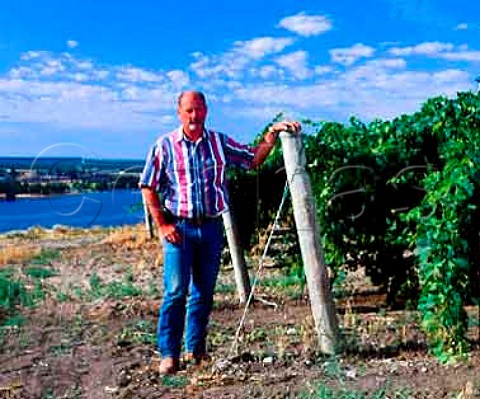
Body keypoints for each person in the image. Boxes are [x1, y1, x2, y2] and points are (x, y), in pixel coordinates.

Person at [139, 90, 301, 375]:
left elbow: (252, 159)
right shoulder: (164, 146)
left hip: (211, 228)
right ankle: (168, 354)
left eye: (199, 109)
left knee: (203, 293)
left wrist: (272, 133)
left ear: (206, 111)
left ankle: (196, 350)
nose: (194, 115)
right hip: (180, 229)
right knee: (176, 292)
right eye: (189, 110)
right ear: (179, 113)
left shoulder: (218, 142)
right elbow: (148, 185)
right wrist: (163, 224)